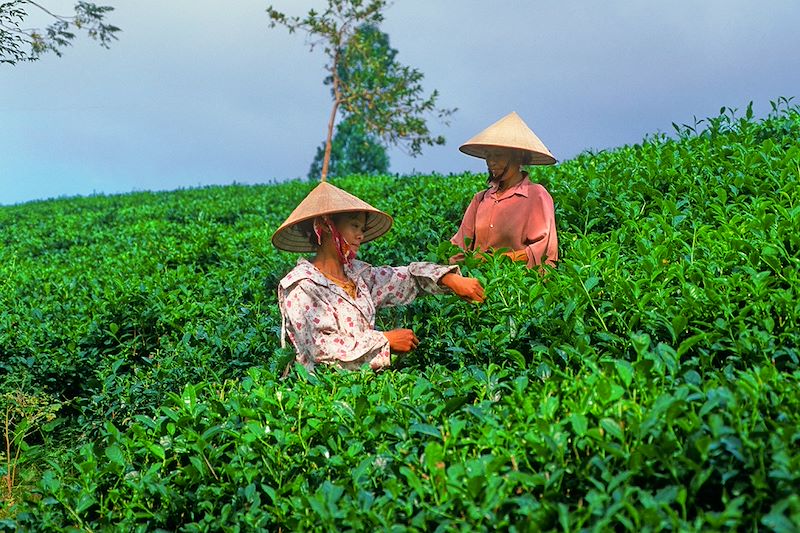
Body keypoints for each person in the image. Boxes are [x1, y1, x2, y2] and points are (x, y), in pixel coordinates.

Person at [272, 181, 485, 372]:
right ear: (325, 226)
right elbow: (321, 348)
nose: (360, 235)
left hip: (365, 389)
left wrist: (447, 279)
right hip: (323, 399)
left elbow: (403, 278)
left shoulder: (358, 276)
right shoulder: (301, 285)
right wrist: (385, 340)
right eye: (354, 226)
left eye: (362, 228)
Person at [451, 111, 559, 269]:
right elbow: (458, 247)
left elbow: (543, 249)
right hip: (478, 283)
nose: (491, 162)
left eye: (499, 156)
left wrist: (499, 260)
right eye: (489, 156)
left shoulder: (536, 195)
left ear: (518, 157)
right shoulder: (480, 199)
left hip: (516, 286)